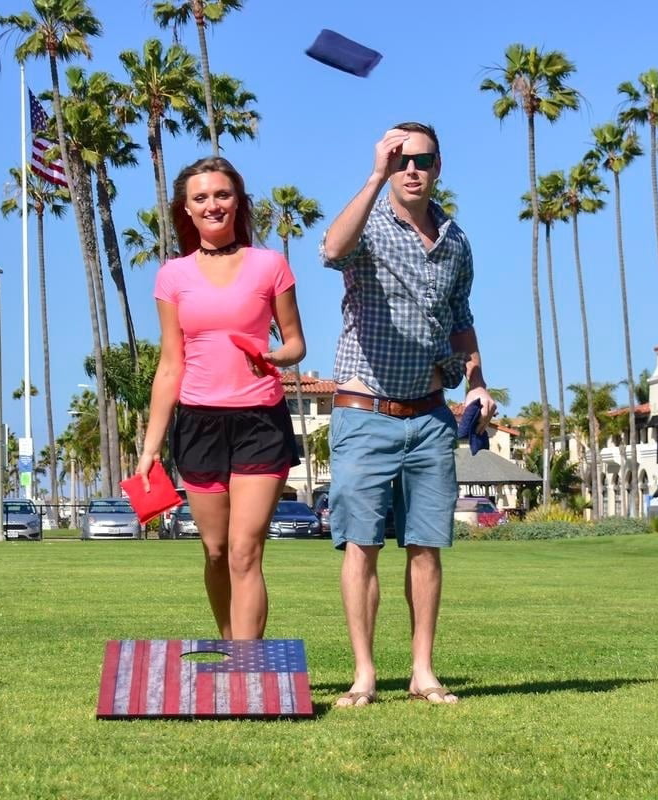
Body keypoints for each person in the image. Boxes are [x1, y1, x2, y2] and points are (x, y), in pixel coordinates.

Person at [320, 122, 496, 706]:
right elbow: (332, 250)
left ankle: (423, 670)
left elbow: (461, 318)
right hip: (364, 408)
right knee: (361, 545)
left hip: (429, 414)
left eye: (421, 160)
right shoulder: (367, 223)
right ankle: (365, 674)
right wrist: (374, 173)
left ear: (439, 165)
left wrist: (476, 382)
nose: (411, 169)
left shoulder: (456, 240)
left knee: (426, 545)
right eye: (400, 160)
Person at [137, 156, 306, 640]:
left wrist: (274, 356)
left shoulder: (270, 265)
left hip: (260, 420)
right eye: (201, 197)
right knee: (214, 550)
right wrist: (151, 448)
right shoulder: (173, 275)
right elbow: (170, 364)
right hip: (198, 423)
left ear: (238, 202)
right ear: (186, 210)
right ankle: (230, 641)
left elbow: (296, 342)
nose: (213, 204)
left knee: (244, 549)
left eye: (222, 194)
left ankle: (247, 666)